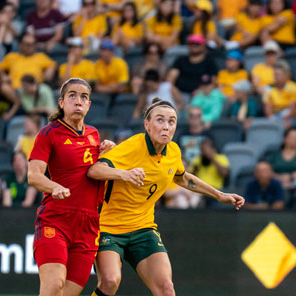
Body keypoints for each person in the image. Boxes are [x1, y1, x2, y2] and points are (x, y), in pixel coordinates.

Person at [86, 98, 244, 296]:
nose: (166, 127)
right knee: (110, 282)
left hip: (142, 229)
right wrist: (124, 174)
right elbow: (95, 171)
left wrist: (219, 195)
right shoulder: (132, 147)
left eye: (171, 122)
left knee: (166, 289)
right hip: (108, 229)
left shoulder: (174, 152)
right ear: (147, 124)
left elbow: (183, 178)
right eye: (160, 120)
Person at [26, 78, 114, 296]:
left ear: (89, 105)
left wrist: (106, 154)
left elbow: (91, 171)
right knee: (54, 285)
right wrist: (53, 186)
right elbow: (33, 175)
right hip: (56, 219)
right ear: (61, 103)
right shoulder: (49, 133)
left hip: (88, 225)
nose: (78, 101)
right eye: (72, 96)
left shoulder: (93, 134)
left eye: (84, 97)